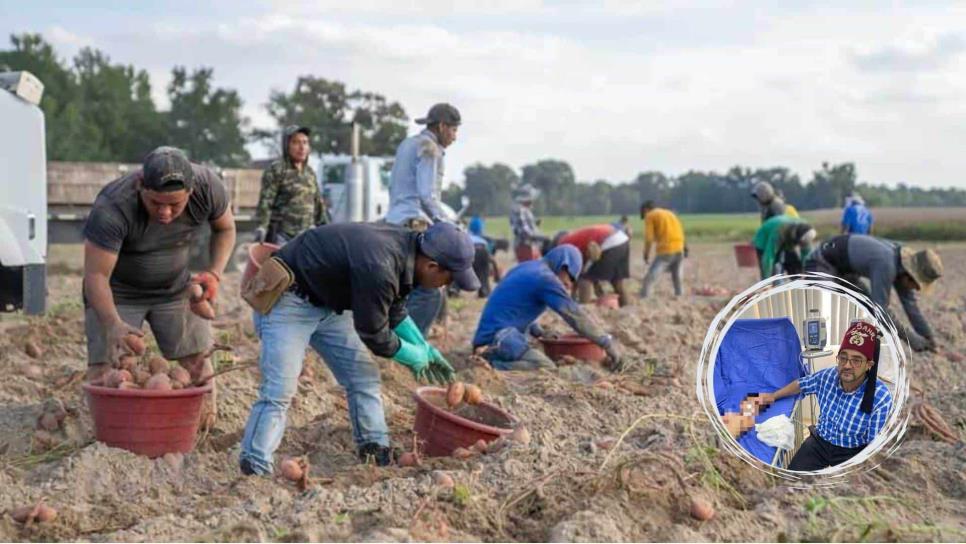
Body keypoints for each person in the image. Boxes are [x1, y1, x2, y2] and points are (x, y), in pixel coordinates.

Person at [238, 222, 480, 473]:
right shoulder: (381, 264)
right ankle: (255, 466)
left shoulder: (410, 252)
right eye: (448, 279)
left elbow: (394, 310)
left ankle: (375, 450)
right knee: (279, 389)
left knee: (364, 378)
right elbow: (374, 334)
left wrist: (424, 348)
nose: (444, 286)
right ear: (432, 266)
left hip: (330, 305)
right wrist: (412, 355)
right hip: (290, 300)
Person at [83, 146, 236, 427]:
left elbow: (225, 228)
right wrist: (113, 324)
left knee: (200, 362)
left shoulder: (207, 187)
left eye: (175, 205)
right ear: (141, 185)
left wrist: (214, 273)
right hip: (117, 293)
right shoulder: (114, 206)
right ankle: (109, 433)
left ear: (191, 192)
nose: (165, 212)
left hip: (175, 289)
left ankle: (201, 429)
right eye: (156, 203)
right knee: (107, 370)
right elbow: (95, 276)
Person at [755, 320, 892, 471]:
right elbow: (801, 384)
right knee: (793, 480)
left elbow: (873, 448)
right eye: (843, 357)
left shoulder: (881, 399)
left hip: (852, 451)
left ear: (868, 365)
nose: (847, 365)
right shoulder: (828, 376)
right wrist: (772, 396)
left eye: (856, 360)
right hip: (820, 441)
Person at [472, 245, 624, 371]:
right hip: (497, 340)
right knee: (545, 367)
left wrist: (539, 331)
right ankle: (492, 366)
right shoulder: (545, 278)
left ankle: (489, 359)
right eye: (569, 278)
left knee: (537, 356)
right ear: (563, 265)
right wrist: (606, 343)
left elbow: (514, 309)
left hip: (495, 336)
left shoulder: (528, 268)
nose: (568, 285)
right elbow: (574, 315)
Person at [384, 103, 461, 335]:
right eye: (454, 130)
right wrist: (449, 225)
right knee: (429, 290)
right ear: (441, 126)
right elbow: (427, 196)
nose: (455, 137)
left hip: (395, 222)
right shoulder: (430, 148)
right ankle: (408, 344)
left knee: (404, 289)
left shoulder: (407, 144)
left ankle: (393, 340)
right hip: (414, 224)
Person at [805, 234, 942, 352]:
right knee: (821, 315)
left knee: (865, 303)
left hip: (845, 271)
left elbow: (911, 306)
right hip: (821, 262)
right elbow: (880, 311)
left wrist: (929, 338)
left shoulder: (901, 266)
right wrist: (910, 338)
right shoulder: (887, 265)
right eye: (917, 285)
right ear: (909, 275)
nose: (917, 289)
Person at [253, 125, 326, 244]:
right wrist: (262, 227)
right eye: (296, 142)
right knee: (282, 262)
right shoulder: (277, 170)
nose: (302, 147)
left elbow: (318, 203)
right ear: (287, 146)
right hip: (283, 236)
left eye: (305, 142)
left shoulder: (309, 173)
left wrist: (325, 227)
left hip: (306, 236)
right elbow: (266, 202)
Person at [556, 224, 631, 307]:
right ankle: (626, 307)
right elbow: (585, 266)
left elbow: (578, 271)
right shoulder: (575, 240)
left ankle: (584, 309)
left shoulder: (563, 246)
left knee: (585, 280)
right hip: (622, 239)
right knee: (617, 280)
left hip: (608, 242)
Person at [639, 201, 686, 298]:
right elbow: (680, 230)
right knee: (677, 276)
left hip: (666, 249)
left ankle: (644, 297)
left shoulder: (650, 215)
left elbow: (649, 239)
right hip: (679, 247)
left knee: (651, 277)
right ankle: (680, 295)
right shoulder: (670, 214)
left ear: (646, 210)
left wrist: (646, 254)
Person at [509, 185, 548, 261]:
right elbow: (524, 232)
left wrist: (534, 224)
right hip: (525, 246)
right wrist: (541, 237)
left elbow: (525, 226)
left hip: (530, 245)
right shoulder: (520, 210)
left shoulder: (525, 210)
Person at [468, 216, 496, 297]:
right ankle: (484, 291)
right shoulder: (485, 238)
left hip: (471, 251)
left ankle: (454, 290)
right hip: (483, 251)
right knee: (483, 274)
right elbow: (490, 249)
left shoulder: (466, 234)